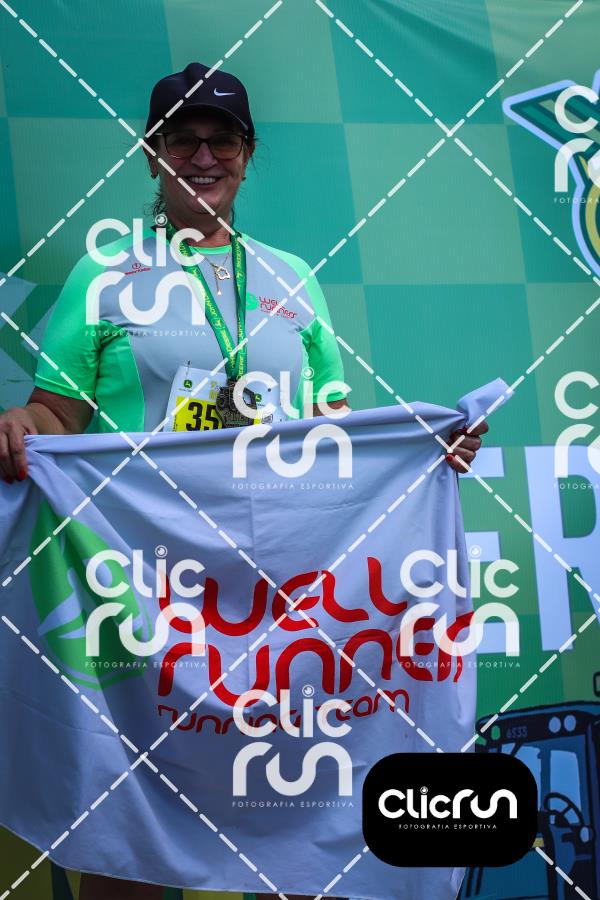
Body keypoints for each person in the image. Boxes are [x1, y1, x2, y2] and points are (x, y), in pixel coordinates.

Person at [0, 62, 487, 899]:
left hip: (279, 594)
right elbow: (57, 416)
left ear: (248, 154)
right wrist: (20, 423)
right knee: (126, 825)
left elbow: (334, 432)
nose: (203, 156)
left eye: (221, 140)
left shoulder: (292, 277)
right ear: (152, 153)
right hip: (144, 591)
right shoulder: (105, 275)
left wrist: (420, 454)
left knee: (296, 818)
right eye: (182, 140)